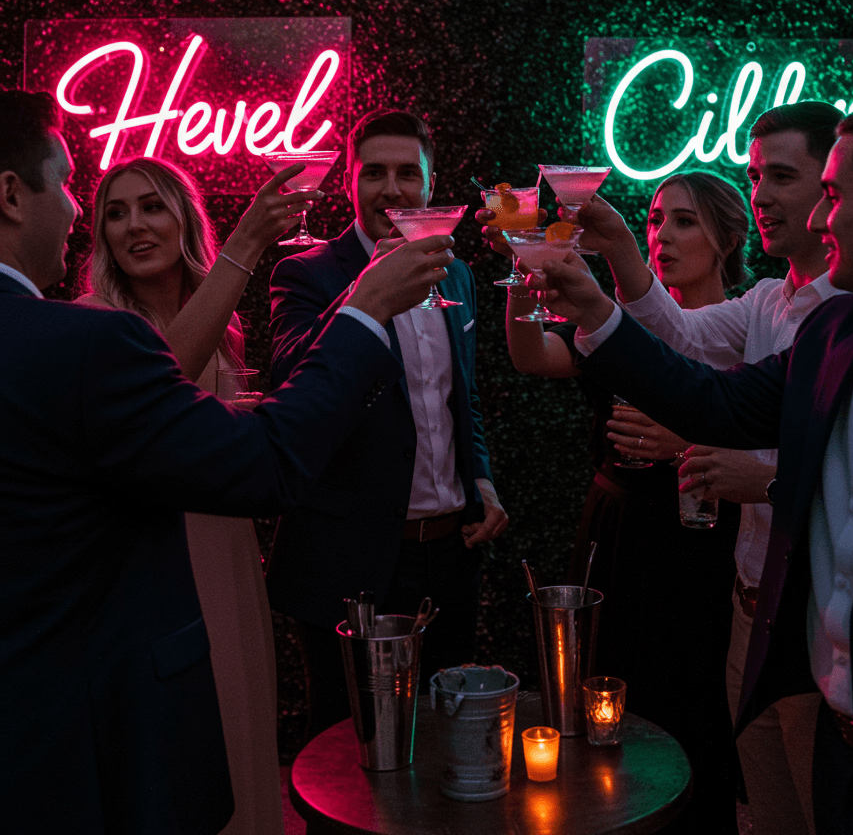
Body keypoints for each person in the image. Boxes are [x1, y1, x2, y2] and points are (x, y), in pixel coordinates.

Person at [0, 89, 456, 835]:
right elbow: (265, 463)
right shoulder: (84, 336)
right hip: (109, 646)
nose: (81, 213)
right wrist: (362, 312)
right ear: (13, 195)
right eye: (72, 188)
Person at [531, 99, 853, 835]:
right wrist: (594, 306)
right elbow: (711, 398)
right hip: (794, 661)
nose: (822, 222)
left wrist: (759, 481)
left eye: (831, 194)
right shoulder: (839, 330)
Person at [483, 170, 748, 834]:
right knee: (610, 691)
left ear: (727, 237)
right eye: (656, 219)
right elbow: (529, 354)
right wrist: (524, 270)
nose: (663, 235)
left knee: (689, 693)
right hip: (618, 527)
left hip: (700, 535)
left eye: (684, 221)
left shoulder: (748, 330)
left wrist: (689, 437)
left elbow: (769, 433)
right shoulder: (619, 322)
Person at [77, 156, 312, 835]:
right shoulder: (91, 323)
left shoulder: (217, 318)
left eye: (151, 206)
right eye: (114, 214)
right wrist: (246, 247)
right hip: (153, 560)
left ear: (184, 216)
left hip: (225, 548)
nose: (134, 225)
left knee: (239, 713)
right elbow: (160, 393)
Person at [265, 107, 508, 739]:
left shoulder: (453, 273)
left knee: (446, 739)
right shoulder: (306, 273)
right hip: (354, 564)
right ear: (350, 181)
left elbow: (461, 397)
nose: (392, 189)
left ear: (430, 184)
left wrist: (479, 478)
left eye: (408, 173)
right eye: (374, 173)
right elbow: (296, 379)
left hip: (450, 557)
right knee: (352, 753)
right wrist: (370, 288)